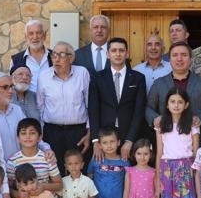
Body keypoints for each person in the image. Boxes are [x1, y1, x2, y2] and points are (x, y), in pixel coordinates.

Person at [89, 37, 147, 161]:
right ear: (107, 54)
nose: (118, 54)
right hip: (105, 139)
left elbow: (139, 112)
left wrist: (130, 140)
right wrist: (96, 141)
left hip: (130, 136)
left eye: (121, 50)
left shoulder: (138, 78)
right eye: (114, 50)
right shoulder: (97, 78)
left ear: (127, 54)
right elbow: (93, 110)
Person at [37, 41, 90, 173]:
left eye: (61, 55)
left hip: (78, 132)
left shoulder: (82, 73)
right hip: (52, 132)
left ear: (71, 58)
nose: (56, 59)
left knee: (77, 171)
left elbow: (90, 105)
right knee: (54, 170)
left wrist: (90, 132)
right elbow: (40, 107)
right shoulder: (44, 76)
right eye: (54, 55)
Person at [146, 42, 201, 130]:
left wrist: (200, 119)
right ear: (169, 59)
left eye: (184, 55)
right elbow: (148, 107)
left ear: (190, 59)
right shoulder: (159, 83)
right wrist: (155, 118)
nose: (179, 59)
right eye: (175, 55)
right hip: (166, 138)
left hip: (197, 139)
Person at [10, 19, 52, 91]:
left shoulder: (55, 57)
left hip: (51, 101)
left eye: (38, 33)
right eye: (31, 33)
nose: (35, 37)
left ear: (44, 35)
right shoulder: (16, 59)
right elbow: (12, 83)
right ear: (26, 37)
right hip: (27, 101)